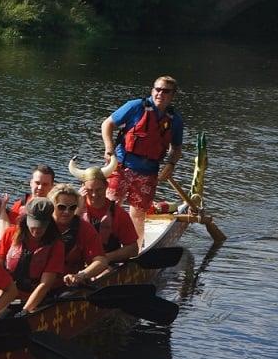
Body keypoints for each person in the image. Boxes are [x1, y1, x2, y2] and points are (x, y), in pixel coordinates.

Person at [102, 76, 184, 234]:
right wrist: (109, 148)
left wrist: (171, 164)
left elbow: (176, 148)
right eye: (157, 89)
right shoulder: (135, 107)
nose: (160, 94)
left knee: (138, 215)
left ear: (173, 95)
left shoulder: (176, 120)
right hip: (121, 165)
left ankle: (135, 250)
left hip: (149, 172)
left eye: (166, 91)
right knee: (109, 207)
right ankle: (102, 244)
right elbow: (107, 124)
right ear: (152, 91)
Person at [65, 165, 140, 287]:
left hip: (107, 264)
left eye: (98, 189)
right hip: (78, 262)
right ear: (83, 188)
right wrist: (77, 203)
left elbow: (133, 249)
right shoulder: (71, 210)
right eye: (89, 190)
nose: (94, 194)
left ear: (106, 186)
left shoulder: (119, 214)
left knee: (98, 279)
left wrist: (107, 258)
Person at [0, 196, 65, 312]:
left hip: (32, 298)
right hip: (5, 293)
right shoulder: (10, 234)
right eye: (33, 225)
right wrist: (2, 300)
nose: (37, 230)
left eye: (42, 226)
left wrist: (25, 311)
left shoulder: (56, 245)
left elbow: (45, 285)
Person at [46, 182, 107, 279]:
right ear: (52, 205)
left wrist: (80, 276)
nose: (67, 212)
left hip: (66, 285)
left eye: (72, 208)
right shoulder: (40, 223)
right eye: (62, 207)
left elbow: (101, 261)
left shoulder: (85, 228)